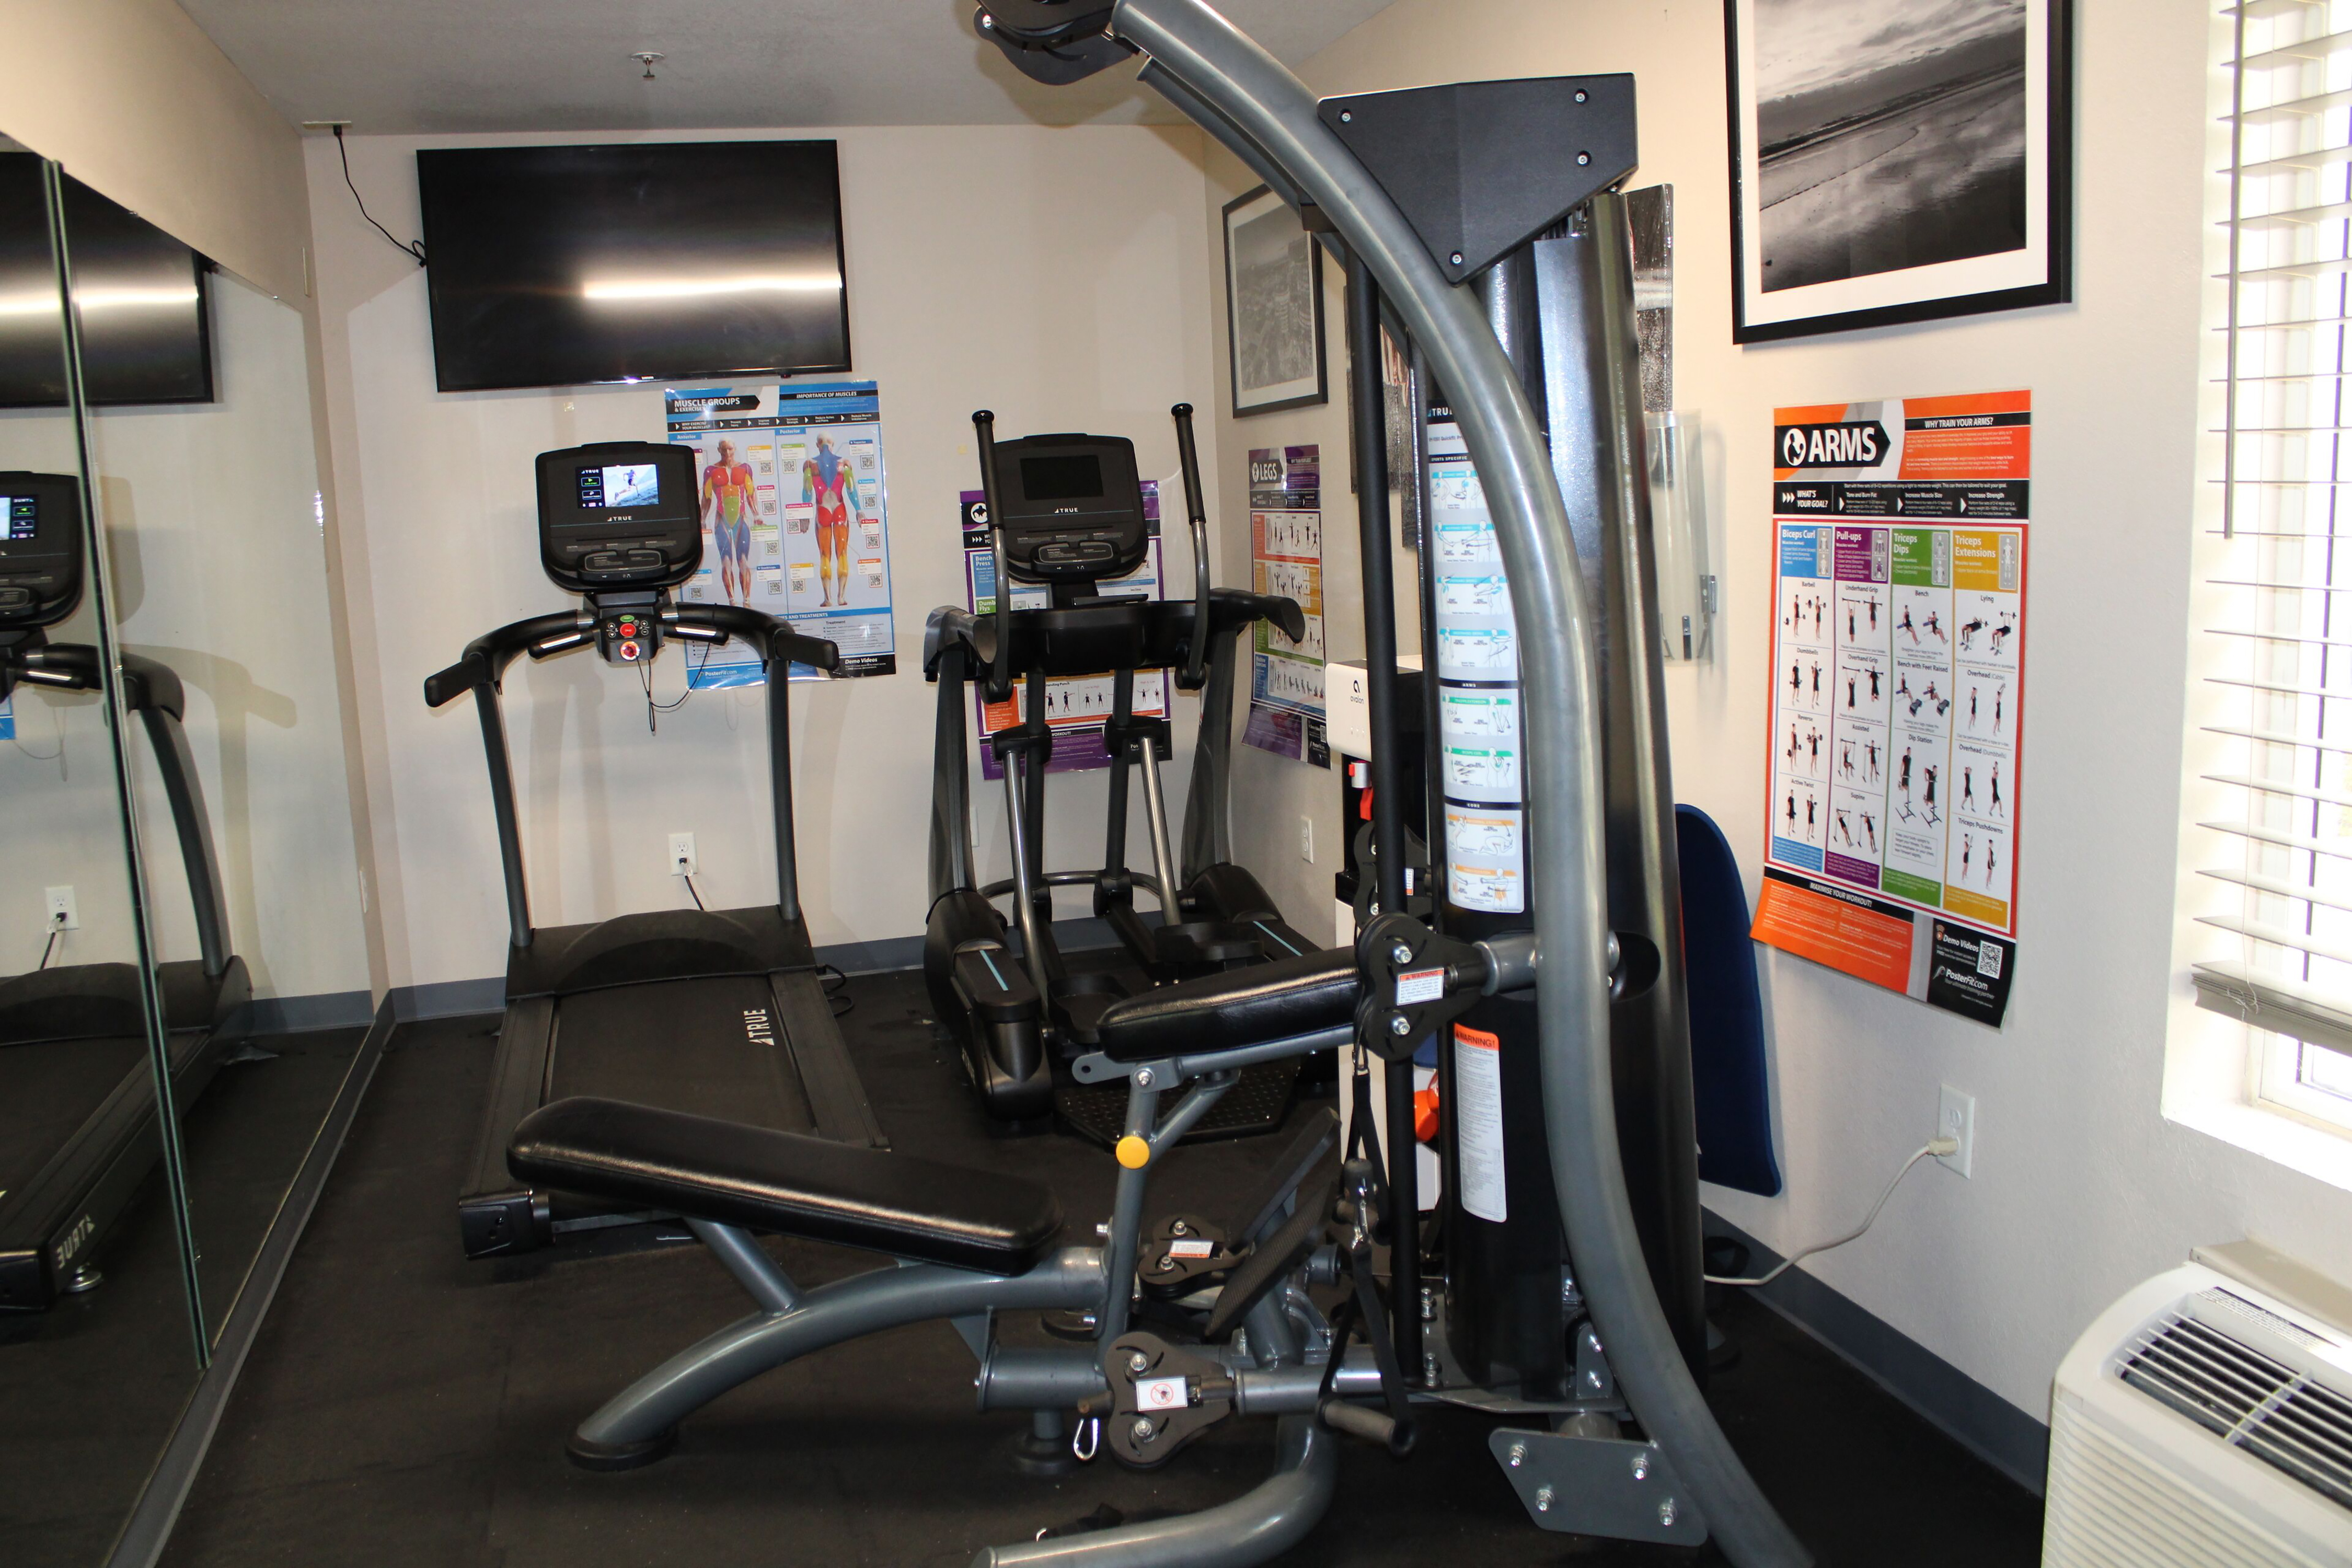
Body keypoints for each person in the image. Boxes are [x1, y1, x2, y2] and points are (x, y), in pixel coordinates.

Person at [803, 434, 859, 608]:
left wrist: (805, 516)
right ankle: (841, 597)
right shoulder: (844, 463)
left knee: (824, 555)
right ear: (832, 444)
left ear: (817, 445)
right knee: (842, 554)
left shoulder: (810, 464)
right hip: (839, 509)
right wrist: (859, 510)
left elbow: (807, 491)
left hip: (823, 511)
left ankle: (828, 598)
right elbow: (851, 489)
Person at [699, 439, 756, 606]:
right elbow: (707, 497)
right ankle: (733, 602)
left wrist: (757, 514)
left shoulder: (745, 468)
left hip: (741, 518)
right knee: (726, 562)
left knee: (744, 561)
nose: (727, 454)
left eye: (730, 449)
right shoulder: (711, 471)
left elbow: (751, 494)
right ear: (719, 450)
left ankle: (747, 601)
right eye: (724, 450)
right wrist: (702, 518)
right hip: (721, 519)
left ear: (735, 449)